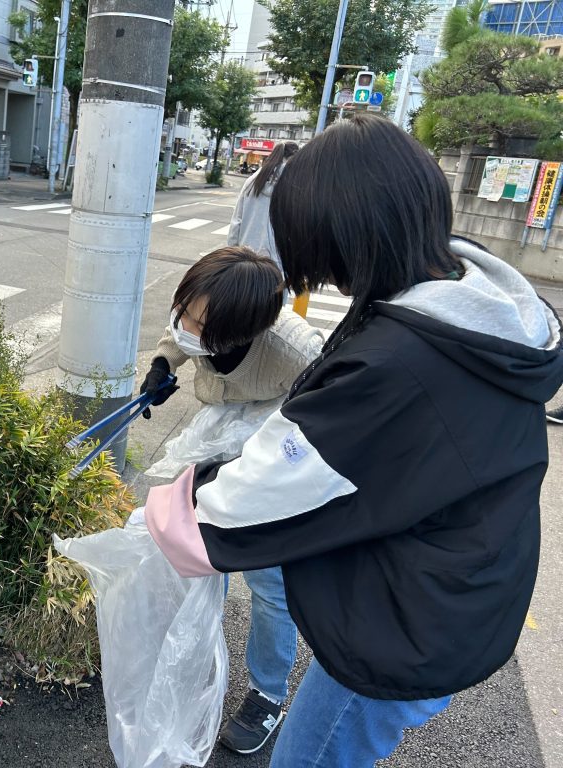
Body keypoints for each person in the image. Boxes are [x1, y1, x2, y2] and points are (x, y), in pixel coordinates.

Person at [143, 113, 562, 767]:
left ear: (351, 235)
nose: (329, 280)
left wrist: (171, 508)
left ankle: (266, 692)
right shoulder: (465, 306)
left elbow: (261, 491)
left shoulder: (399, 361)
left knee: (308, 753)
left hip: (414, 625)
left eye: (321, 256)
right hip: (457, 585)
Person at [139, 246, 323, 755]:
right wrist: (161, 363)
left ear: (242, 331)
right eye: (184, 312)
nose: (185, 327)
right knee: (197, 554)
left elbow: (321, 423)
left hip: (276, 447)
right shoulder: (201, 316)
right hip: (220, 431)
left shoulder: (297, 353)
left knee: (268, 582)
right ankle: (199, 653)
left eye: (199, 325)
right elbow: (178, 334)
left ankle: (268, 693)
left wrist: (264, 467)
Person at [228, 141, 299, 271]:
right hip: (276, 262)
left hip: (245, 257)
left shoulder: (252, 181)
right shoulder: (293, 187)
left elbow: (236, 221)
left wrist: (233, 252)